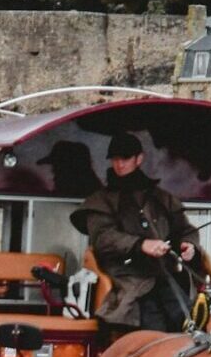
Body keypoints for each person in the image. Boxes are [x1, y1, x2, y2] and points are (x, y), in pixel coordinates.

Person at [75, 132, 199, 334]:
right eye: (115, 159)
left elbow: (185, 230)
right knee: (153, 325)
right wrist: (141, 245)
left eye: (125, 159)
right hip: (125, 278)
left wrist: (189, 246)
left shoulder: (161, 198)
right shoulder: (101, 200)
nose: (119, 165)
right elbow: (103, 238)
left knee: (188, 320)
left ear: (138, 159)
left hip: (164, 277)